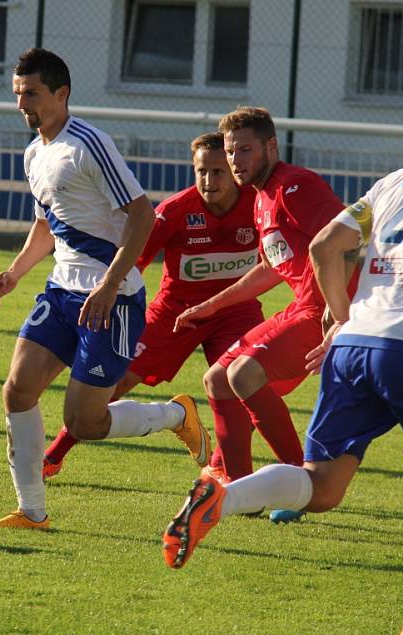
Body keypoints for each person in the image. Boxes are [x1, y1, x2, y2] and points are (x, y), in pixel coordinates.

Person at [161, 92, 403, 635]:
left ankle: (224, 495)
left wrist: (341, 319)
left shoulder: (399, 179)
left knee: (322, 489)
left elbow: (324, 246)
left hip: (355, 343)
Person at [0, 48, 209, 530]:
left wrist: (107, 287)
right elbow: (47, 224)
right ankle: (33, 512)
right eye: (18, 94)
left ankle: (174, 415)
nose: (24, 103)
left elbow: (142, 214)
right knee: (17, 391)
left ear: (61, 94)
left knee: (85, 422)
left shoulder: (88, 143)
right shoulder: (34, 153)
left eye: (34, 94)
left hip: (113, 299)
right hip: (61, 292)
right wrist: (16, 271)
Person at [41, 131, 266, 481]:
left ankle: (224, 469)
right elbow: (134, 261)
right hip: (176, 314)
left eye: (218, 172)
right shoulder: (175, 211)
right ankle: (53, 456)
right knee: (111, 384)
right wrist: (111, 295)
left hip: (236, 312)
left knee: (241, 388)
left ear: (235, 171)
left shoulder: (258, 203)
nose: (208, 180)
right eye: (201, 171)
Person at [172, 107, 355, 484]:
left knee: (243, 374)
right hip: (301, 307)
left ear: (271, 147)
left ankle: (301, 480)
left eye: (244, 150)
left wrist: (339, 313)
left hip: (324, 312)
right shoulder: (260, 198)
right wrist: (210, 305)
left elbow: (349, 241)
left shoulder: (296, 185)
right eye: (230, 151)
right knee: (217, 379)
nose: (235, 161)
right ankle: (237, 484)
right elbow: (272, 267)